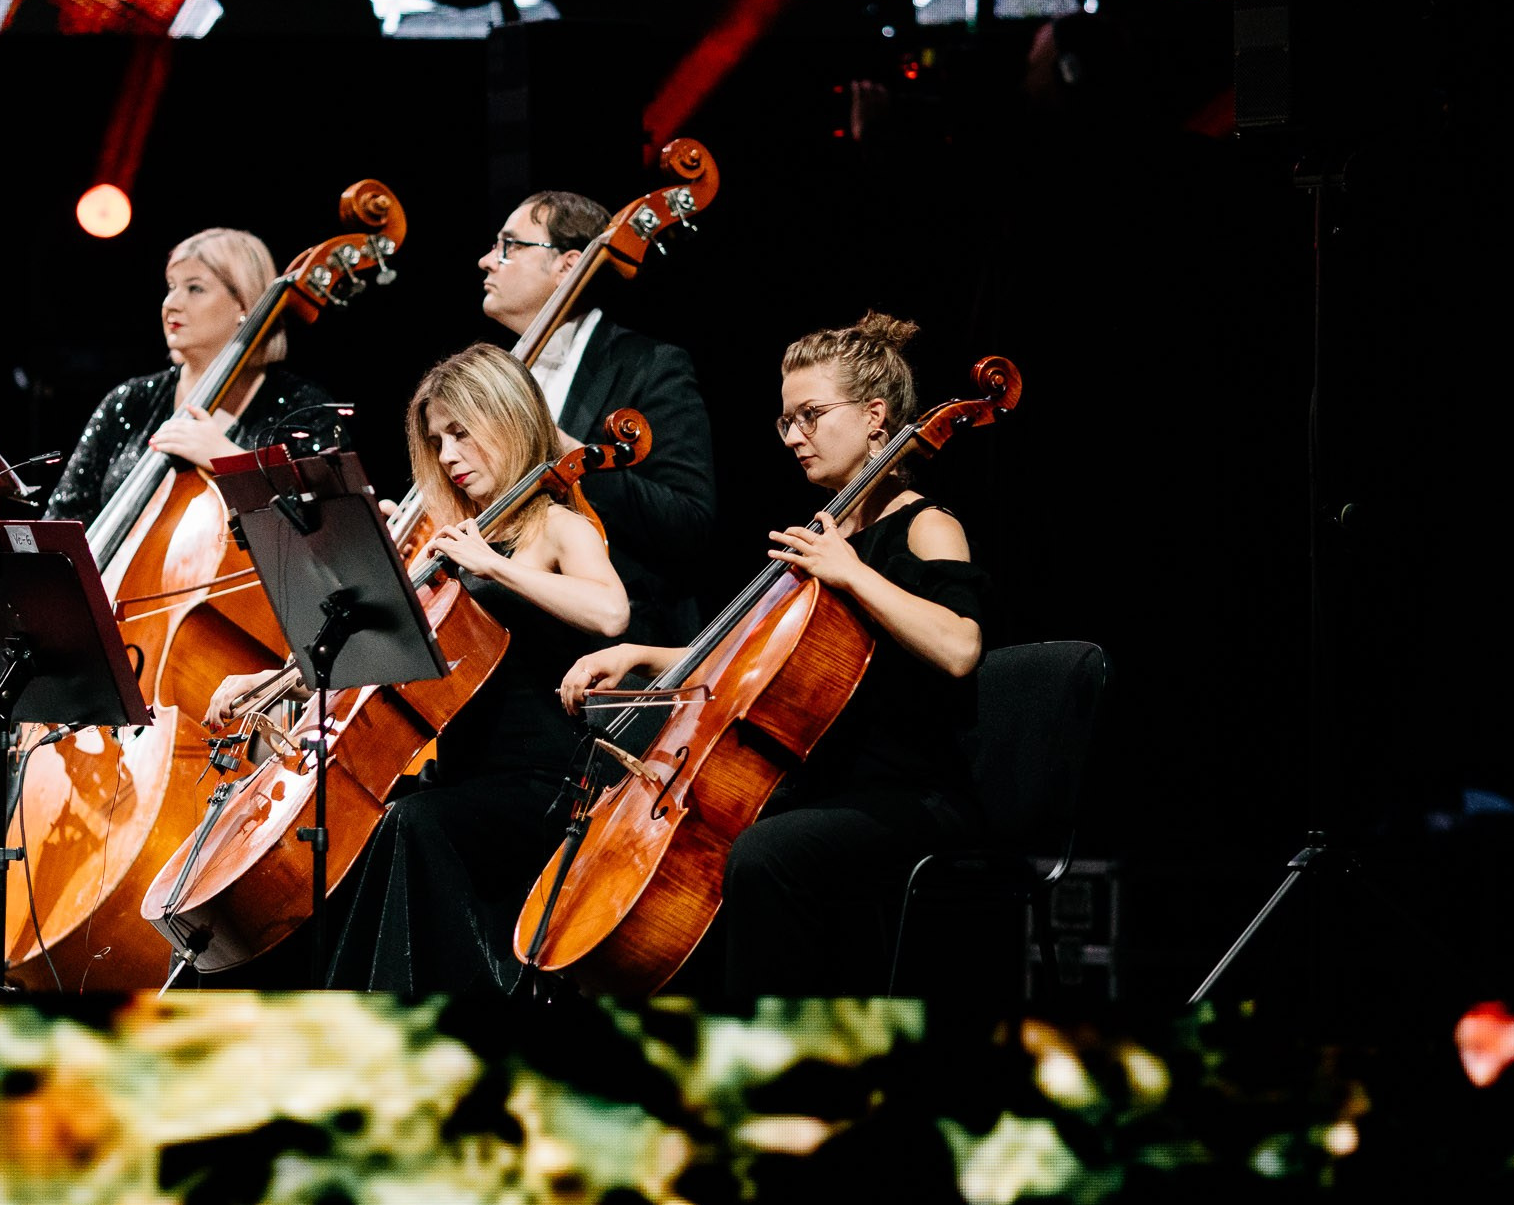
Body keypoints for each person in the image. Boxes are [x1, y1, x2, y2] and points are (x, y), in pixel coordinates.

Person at [558, 311, 988, 996]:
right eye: (786, 421)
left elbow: (961, 646)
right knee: (703, 850)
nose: (792, 436)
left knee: (763, 853)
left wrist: (851, 573)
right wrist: (640, 654)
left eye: (810, 415)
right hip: (825, 783)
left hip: (912, 793)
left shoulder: (926, 525)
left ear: (876, 417)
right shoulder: (830, 534)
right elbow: (747, 662)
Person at [208, 343, 630, 995]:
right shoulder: (460, 535)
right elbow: (374, 642)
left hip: (544, 783)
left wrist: (495, 566)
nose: (449, 455)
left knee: (413, 824)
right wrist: (269, 682)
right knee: (341, 834)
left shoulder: (555, 525)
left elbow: (610, 612)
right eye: (437, 441)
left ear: (509, 419)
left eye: (462, 432)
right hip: (460, 775)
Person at [477, 191, 714, 647]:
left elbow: (689, 524)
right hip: (509, 635)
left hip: (616, 644)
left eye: (510, 246)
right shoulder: (501, 376)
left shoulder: (651, 366)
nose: (487, 261)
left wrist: (569, 451)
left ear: (568, 265)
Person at [47, 228, 345, 521]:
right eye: (171, 287)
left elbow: (326, 527)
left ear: (243, 304)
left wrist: (231, 461)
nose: (171, 304)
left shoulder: (303, 410)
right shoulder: (130, 402)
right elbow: (63, 520)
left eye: (195, 289)